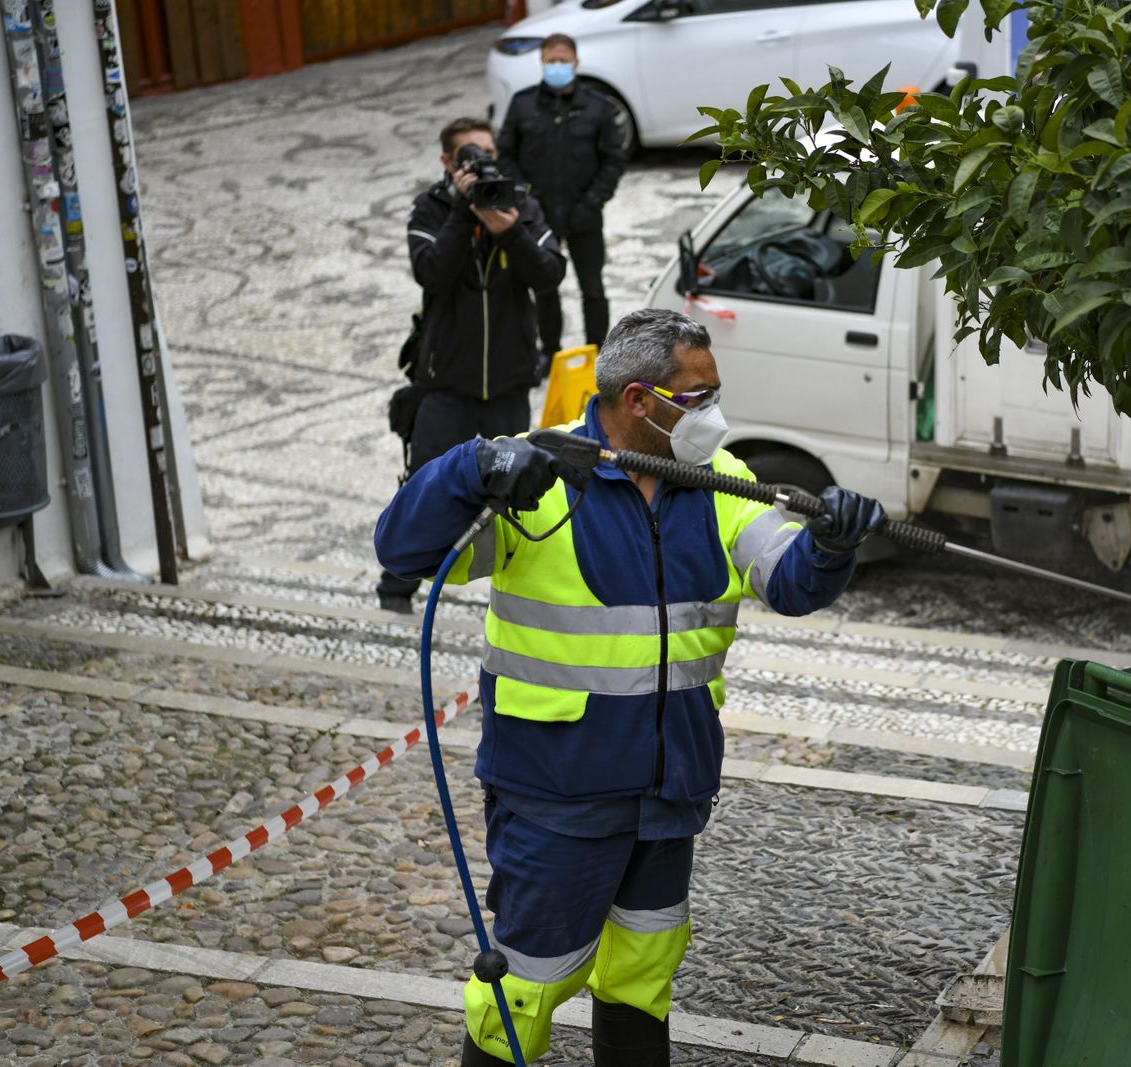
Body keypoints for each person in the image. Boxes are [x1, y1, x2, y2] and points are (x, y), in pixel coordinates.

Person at [373, 308, 886, 1065]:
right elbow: (401, 546)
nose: (715, 411)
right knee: (525, 988)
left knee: (644, 978)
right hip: (556, 797)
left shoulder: (721, 482)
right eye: (700, 395)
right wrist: (471, 468)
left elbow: (792, 580)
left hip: (669, 794)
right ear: (641, 400)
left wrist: (832, 542)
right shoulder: (536, 482)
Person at [376, 117, 566, 614]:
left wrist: (509, 231)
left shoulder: (519, 202)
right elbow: (431, 273)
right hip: (446, 383)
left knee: (518, 489)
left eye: (488, 153)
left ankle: (521, 594)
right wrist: (464, 213)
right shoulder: (432, 208)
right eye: (469, 156)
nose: (482, 164)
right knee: (424, 485)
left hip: (508, 383)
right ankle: (395, 591)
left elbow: (549, 274)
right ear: (446, 163)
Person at [496, 33, 626, 371]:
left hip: (584, 212)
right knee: (544, 286)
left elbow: (614, 158)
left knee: (592, 288)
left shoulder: (597, 107)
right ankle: (549, 351)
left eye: (563, 60)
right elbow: (505, 154)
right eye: (551, 61)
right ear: (541, 63)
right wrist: (524, 195)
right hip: (540, 216)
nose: (557, 66)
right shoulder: (523, 104)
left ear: (575, 62)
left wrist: (595, 198)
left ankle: (600, 353)